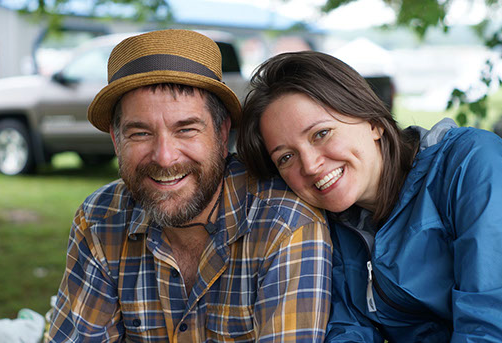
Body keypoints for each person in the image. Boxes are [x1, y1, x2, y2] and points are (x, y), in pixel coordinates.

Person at [47, 30, 332, 342]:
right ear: (116, 141)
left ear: (223, 134)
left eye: (186, 130)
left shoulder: (285, 224)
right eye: (140, 133)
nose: (165, 157)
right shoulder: (99, 220)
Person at [237, 50, 502, 342]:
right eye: (286, 157)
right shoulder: (333, 225)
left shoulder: (472, 165)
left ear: (373, 122)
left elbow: (494, 322)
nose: (310, 165)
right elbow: (346, 328)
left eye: (321, 134)